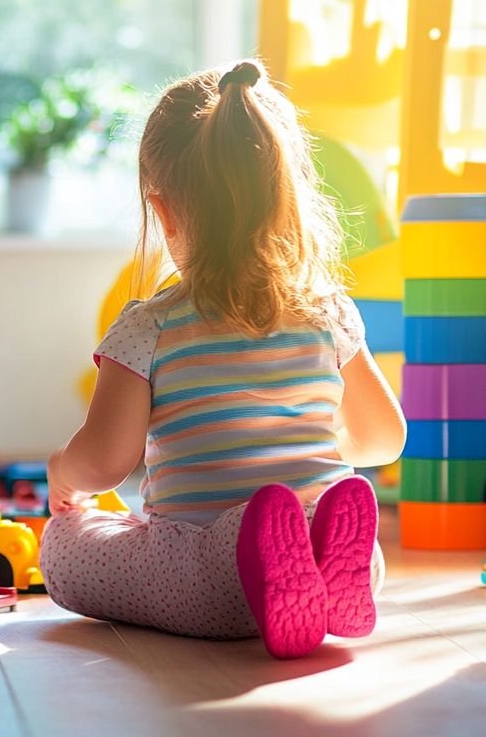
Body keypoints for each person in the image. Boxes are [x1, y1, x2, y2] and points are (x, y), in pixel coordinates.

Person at [42, 61, 406, 659]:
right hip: (348, 566)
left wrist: (62, 471)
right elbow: (384, 439)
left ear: (164, 214)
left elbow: (105, 463)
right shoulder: (327, 312)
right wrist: (299, 448)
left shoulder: (150, 325)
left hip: (210, 583)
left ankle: (256, 540)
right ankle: (318, 553)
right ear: (286, 198)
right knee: (306, 511)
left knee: (66, 546)